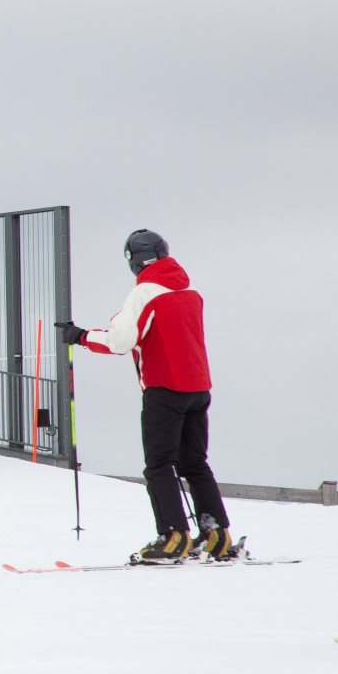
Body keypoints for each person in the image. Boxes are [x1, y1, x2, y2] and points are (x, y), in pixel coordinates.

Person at [59, 230, 235, 561]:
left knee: (159, 465)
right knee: (194, 463)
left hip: (164, 389)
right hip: (198, 387)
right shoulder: (189, 290)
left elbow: (122, 341)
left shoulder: (145, 292)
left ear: (134, 260)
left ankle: (172, 537)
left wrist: (80, 336)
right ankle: (216, 535)